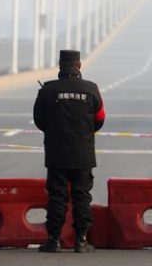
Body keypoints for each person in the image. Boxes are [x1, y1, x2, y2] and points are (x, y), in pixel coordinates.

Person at [33, 50, 105, 253]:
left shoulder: (48, 90)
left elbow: (39, 119)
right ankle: (81, 241)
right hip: (83, 152)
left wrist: (55, 130)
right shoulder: (91, 89)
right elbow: (99, 118)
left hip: (57, 152)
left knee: (57, 196)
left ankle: (54, 240)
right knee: (82, 196)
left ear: (60, 65)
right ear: (79, 65)